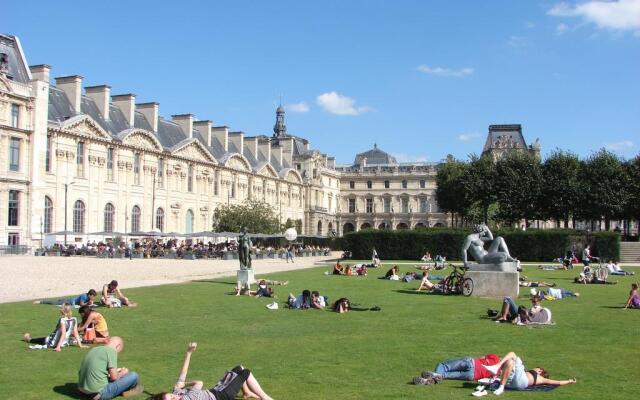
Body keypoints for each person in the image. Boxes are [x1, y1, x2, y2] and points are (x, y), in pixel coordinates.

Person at [151, 342, 273, 400]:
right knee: (245, 372)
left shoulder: (178, 393)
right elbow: (199, 383)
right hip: (221, 396)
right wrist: (185, 384)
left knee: (238, 368)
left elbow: (183, 373)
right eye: (172, 399)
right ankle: (264, 397)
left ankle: (246, 392)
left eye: (171, 395)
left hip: (216, 390)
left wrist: (188, 353)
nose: (175, 396)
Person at [78, 337, 143, 400]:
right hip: (97, 394)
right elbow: (114, 378)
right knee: (134, 375)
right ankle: (132, 390)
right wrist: (123, 373)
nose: (117, 353)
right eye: (118, 351)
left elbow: (97, 370)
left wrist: (116, 371)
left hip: (82, 390)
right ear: (118, 346)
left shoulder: (94, 349)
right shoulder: (111, 351)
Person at [483, 352, 576, 394]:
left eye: (537, 367)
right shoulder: (538, 379)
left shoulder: (540, 378)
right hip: (513, 384)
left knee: (512, 354)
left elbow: (557, 382)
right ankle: (501, 386)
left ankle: (496, 367)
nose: (535, 367)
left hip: (521, 381)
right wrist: (569, 381)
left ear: (540, 371)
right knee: (509, 362)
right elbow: (558, 382)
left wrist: (569, 381)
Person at [22, 303, 86, 352]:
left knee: (38, 340)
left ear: (62, 310)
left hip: (52, 342)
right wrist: (80, 345)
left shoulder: (62, 320)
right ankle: (28, 339)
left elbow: (63, 333)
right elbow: (76, 333)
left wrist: (58, 347)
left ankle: (28, 339)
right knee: (43, 339)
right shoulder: (74, 319)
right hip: (64, 343)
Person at [413, 354, 500, 384]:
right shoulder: (497, 376)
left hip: (471, 363)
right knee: (445, 375)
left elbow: (482, 357)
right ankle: (429, 379)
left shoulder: (496, 358)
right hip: (472, 375)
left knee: (443, 365)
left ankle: (435, 375)